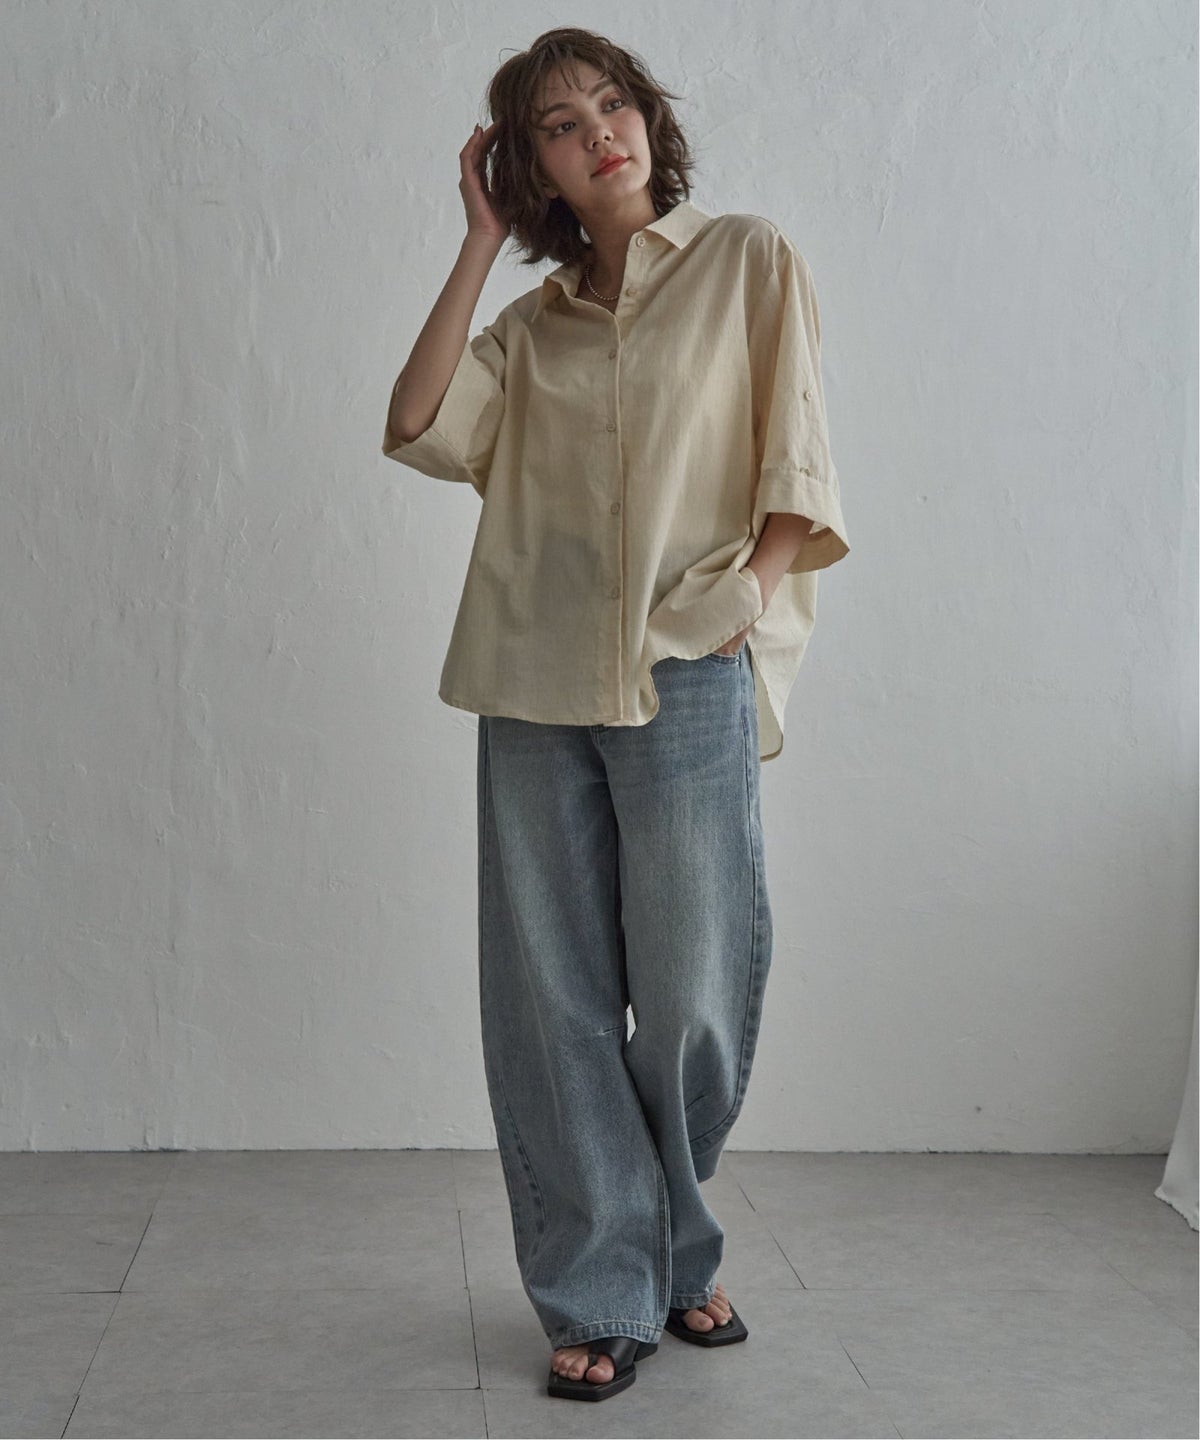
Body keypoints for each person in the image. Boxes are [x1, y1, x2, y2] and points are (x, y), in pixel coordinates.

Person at [382, 27, 849, 1403]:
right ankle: (611, 1285)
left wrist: (748, 592)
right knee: (557, 1005)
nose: (599, 132)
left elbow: (798, 457)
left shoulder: (746, 260)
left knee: (698, 992)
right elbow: (415, 421)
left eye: (612, 103)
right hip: (532, 678)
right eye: (558, 125)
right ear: (530, 168)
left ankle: (668, 1243)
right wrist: (480, 244)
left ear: (648, 118)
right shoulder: (530, 333)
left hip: (687, 662)